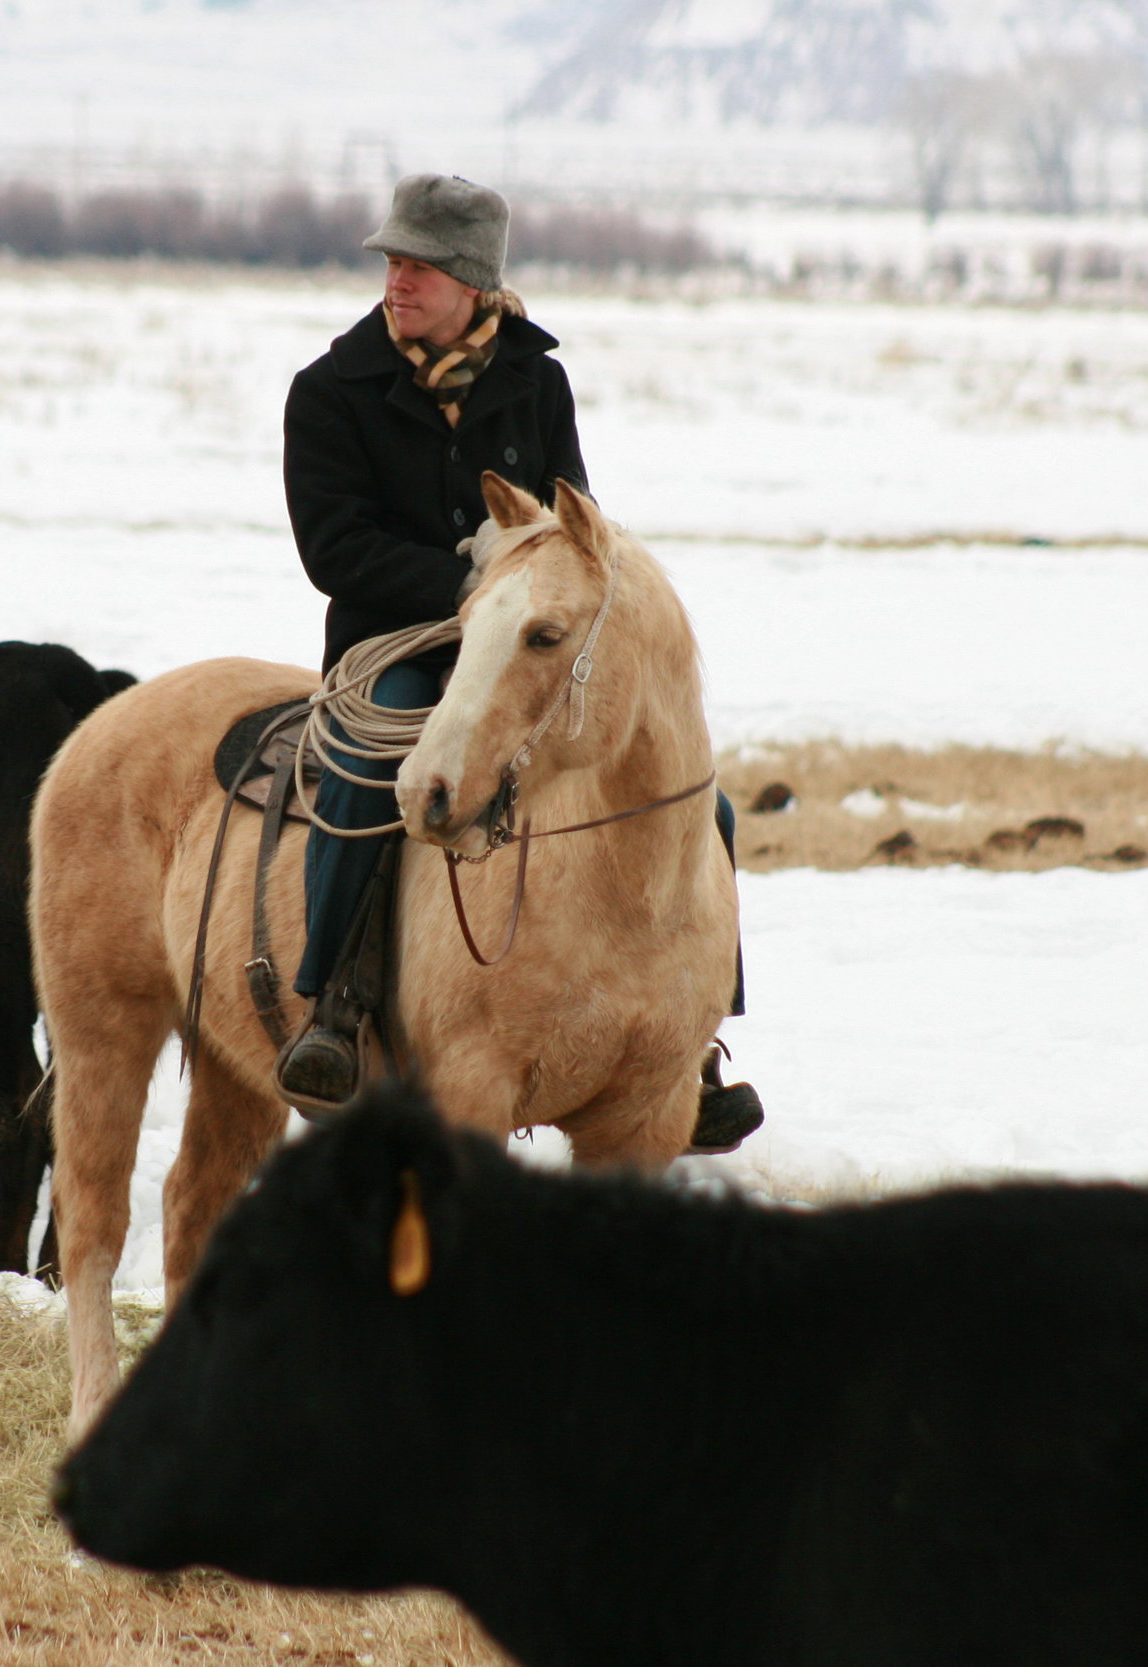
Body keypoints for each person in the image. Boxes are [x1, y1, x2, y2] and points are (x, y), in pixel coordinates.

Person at [276, 173, 762, 1147]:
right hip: (395, 644)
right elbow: (333, 550)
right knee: (372, 780)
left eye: (418, 265)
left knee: (698, 799)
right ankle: (335, 1004)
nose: (397, 280)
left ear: (472, 283)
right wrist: (476, 590)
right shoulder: (330, 392)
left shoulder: (534, 380)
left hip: (529, 651)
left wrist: (531, 608)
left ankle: (690, 1040)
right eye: (392, 262)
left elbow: (567, 517)